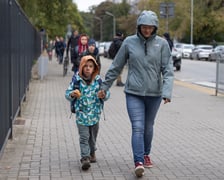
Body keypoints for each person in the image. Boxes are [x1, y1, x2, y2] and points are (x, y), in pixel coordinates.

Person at [98, 10, 174, 177]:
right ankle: (138, 161)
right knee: (137, 127)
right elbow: (116, 66)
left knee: (148, 127)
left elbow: (168, 70)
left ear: (155, 28)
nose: (147, 30)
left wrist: (167, 91)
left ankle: (146, 154)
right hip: (134, 92)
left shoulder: (162, 44)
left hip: (154, 93)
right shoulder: (129, 42)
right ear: (139, 27)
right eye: (144, 27)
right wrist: (104, 87)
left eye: (150, 27)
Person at [65, 55, 110, 171]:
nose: (88, 68)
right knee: (84, 137)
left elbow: (107, 94)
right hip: (81, 115)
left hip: (95, 115)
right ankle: (85, 158)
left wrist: (103, 94)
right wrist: (72, 94)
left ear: (94, 68)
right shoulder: (77, 80)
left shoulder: (99, 80)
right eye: (86, 66)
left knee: (93, 137)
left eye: (91, 66)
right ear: (81, 67)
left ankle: (92, 151)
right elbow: (67, 94)